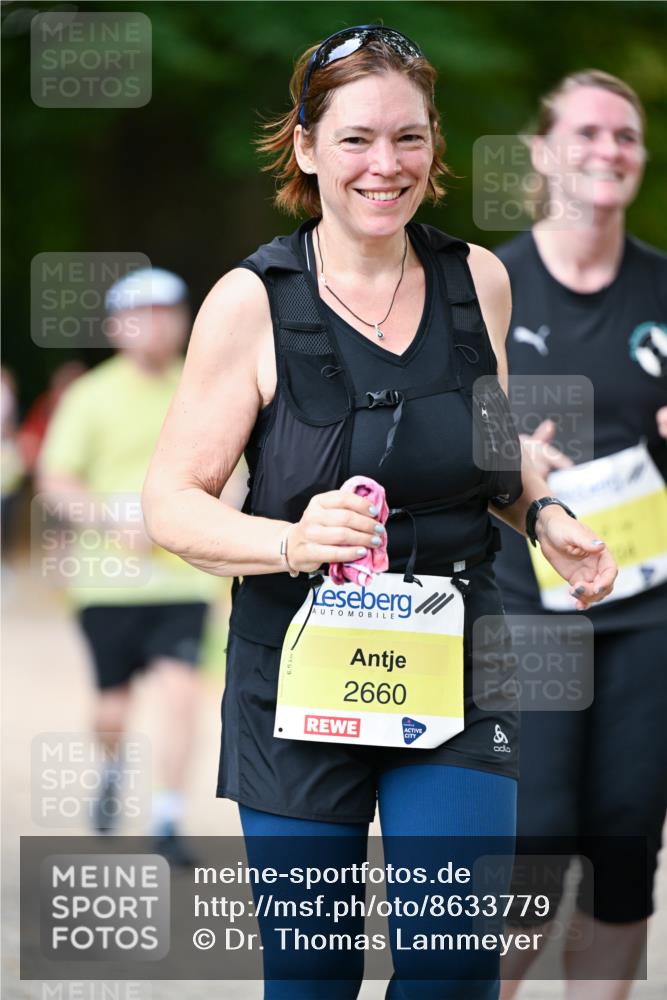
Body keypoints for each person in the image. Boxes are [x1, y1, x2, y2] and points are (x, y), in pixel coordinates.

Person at [142, 28, 616, 998]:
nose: (384, 165)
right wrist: (289, 539)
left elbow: (492, 457)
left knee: (453, 968)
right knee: (312, 976)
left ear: (434, 146)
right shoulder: (251, 301)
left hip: (454, 663)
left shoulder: (476, 279)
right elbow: (170, 503)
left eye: (408, 138)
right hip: (298, 673)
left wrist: (550, 513)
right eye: (356, 139)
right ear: (307, 146)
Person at [492, 71, 667, 999]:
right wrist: (503, 447)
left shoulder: (663, 287)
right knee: (529, 844)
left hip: (649, 617)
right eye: (588, 131)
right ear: (542, 149)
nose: (608, 150)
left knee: (622, 841)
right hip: (526, 614)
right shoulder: (488, 286)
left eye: (626, 136)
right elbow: (424, 434)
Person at [38, 268, 220, 862]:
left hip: (180, 576)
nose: (158, 325)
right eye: (144, 314)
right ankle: (113, 770)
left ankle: (167, 820)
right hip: (107, 584)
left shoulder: (198, 389)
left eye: (170, 312)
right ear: (117, 326)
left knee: (183, 694)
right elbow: (56, 479)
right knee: (111, 707)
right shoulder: (89, 395)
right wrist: (109, 521)